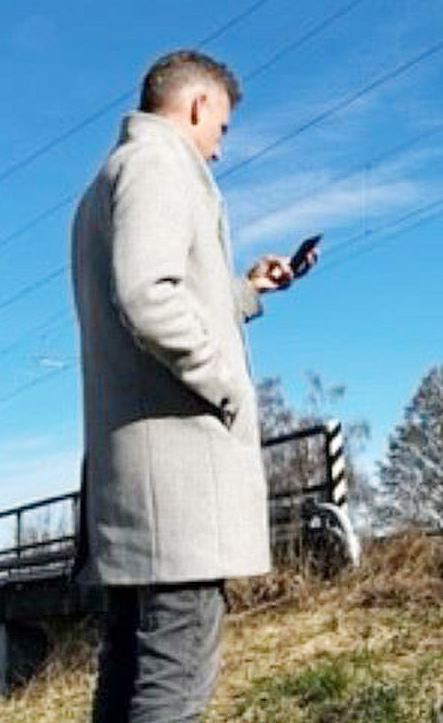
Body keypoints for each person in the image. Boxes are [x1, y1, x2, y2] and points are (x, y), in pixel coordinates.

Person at [71, 48, 309, 723]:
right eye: (222, 129)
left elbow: (147, 298)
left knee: (127, 680)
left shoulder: (107, 179)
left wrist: (244, 291)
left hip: (138, 485)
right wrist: (226, 382)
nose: (219, 148)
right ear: (199, 105)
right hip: (178, 485)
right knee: (174, 685)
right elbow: (148, 297)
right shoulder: (159, 163)